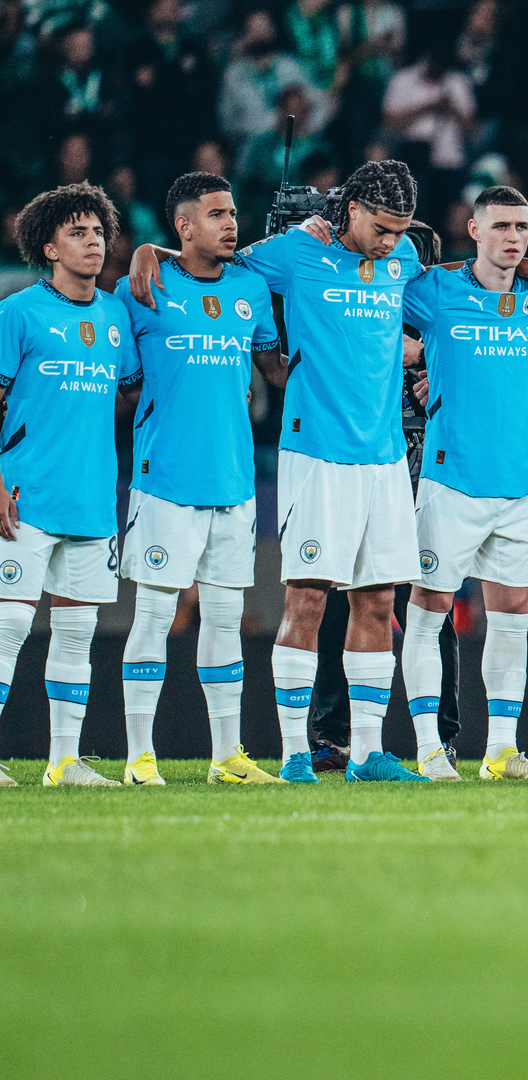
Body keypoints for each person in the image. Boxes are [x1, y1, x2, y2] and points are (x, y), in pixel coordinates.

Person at [130, 159, 428, 783]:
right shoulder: (296, 253)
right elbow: (212, 263)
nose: (392, 242)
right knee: (309, 598)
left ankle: (368, 753)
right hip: (316, 454)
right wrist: (148, 247)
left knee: (377, 602)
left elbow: (448, 295)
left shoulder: (403, 261)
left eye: (402, 230)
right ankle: (295, 753)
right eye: (383, 227)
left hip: (385, 459)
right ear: (351, 212)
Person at [114, 172, 287, 785]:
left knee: (223, 619)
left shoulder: (251, 285)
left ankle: (227, 757)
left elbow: (272, 369)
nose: (231, 222)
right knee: (154, 618)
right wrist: (145, 251)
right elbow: (122, 383)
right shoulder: (143, 286)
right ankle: (139, 757)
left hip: (235, 482)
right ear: (183, 227)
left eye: (233, 212)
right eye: (216, 214)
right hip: (164, 480)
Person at [397, 185, 528, 781]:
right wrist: (419, 363)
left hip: (519, 483)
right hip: (451, 479)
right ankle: (429, 749)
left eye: (521, 227)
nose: (513, 238)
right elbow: (371, 297)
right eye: (500, 227)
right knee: (429, 608)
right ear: (474, 230)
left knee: (512, 611)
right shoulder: (437, 291)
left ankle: (502, 751)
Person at [0, 184, 135, 788]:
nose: (92, 242)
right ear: (49, 246)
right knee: (7, 628)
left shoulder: (115, 314)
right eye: (78, 233)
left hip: (92, 500)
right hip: (25, 497)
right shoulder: (18, 312)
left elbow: (135, 389)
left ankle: (64, 760)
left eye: (99, 232)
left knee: (77, 633)